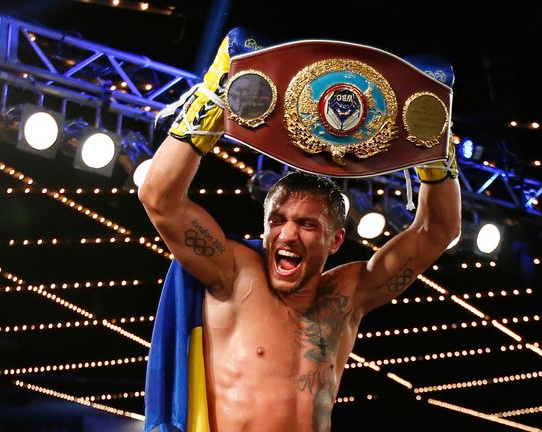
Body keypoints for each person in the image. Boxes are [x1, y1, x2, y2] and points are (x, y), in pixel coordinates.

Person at [138, 30, 460, 432]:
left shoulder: (346, 296)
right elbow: (159, 198)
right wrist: (215, 95)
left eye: (307, 225)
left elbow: (438, 229)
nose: (287, 235)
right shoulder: (235, 277)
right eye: (278, 221)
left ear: (335, 240)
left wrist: (434, 145)